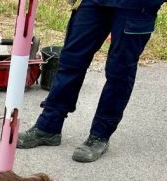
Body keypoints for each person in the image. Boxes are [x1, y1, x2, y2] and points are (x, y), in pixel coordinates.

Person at [18, 0, 164, 162]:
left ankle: (99, 136)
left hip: (136, 7)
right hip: (94, 2)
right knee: (71, 61)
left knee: (119, 72)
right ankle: (48, 126)